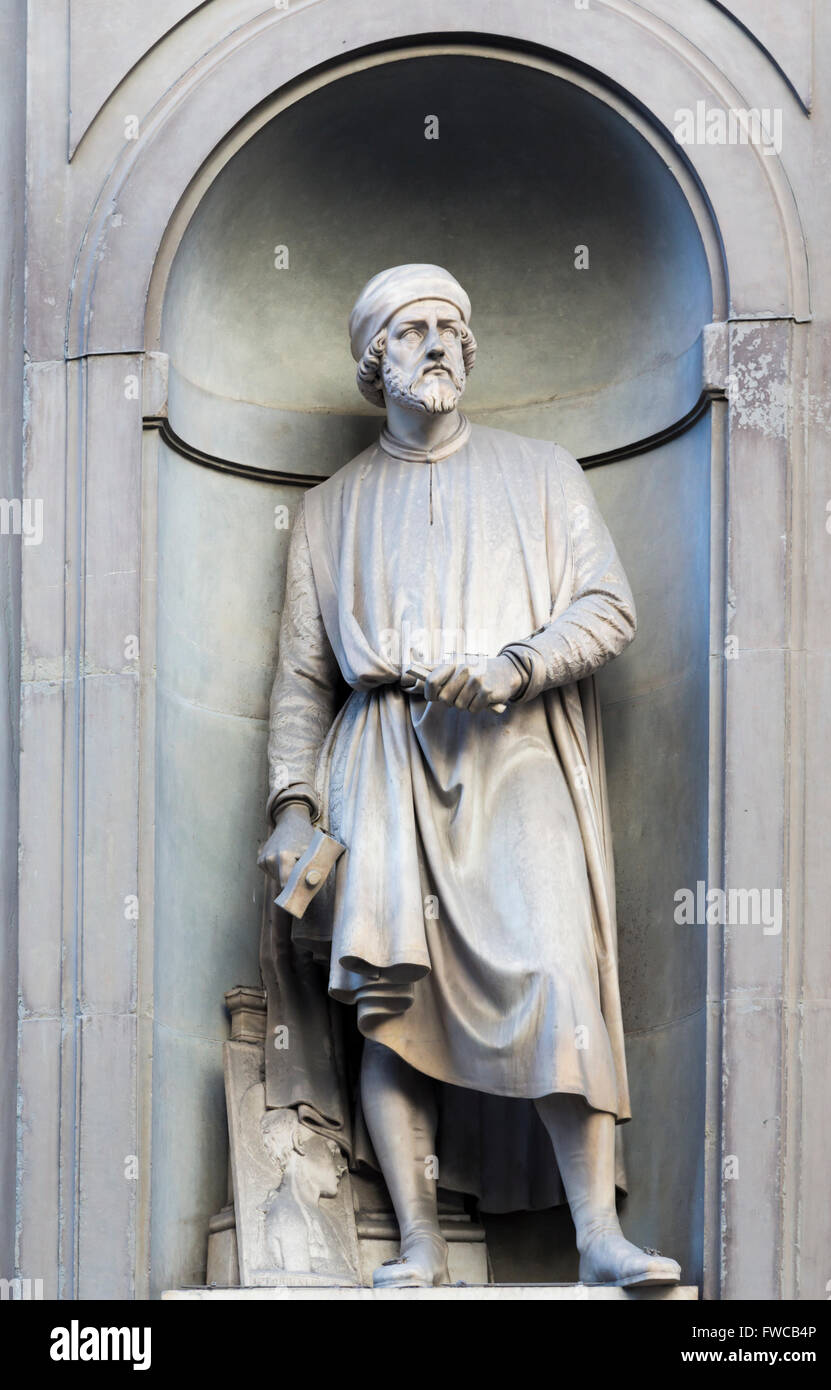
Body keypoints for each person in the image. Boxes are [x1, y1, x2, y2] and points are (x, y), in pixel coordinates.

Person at [258, 264, 680, 1289]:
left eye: (453, 325)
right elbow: (301, 679)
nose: (439, 342)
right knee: (386, 1000)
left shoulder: (540, 475)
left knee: (554, 971)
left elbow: (607, 608)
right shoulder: (328, 509)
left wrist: (512, 664)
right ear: (377, 359)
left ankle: (593, 1239)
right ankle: (417, 1246)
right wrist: (292, 803)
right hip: (382, 754)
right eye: (413, 329)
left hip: (512, 747)